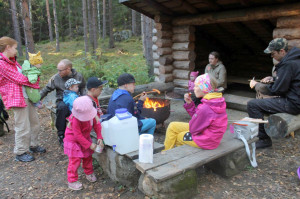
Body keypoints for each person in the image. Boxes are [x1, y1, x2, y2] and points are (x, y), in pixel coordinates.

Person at [248, 38, 300, 149]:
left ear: (282, 51)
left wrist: (257, 85)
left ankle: (263, 139)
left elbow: (277, 90)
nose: (272, 56)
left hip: (293, 103)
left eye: (273, 54)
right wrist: (274, 78)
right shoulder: (295, 60)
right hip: (296, 98)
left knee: (253, 105)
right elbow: (290, 79)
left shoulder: (288, 64)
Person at [0, 36, 46, 162]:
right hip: (17, 98)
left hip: (27, 96)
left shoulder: (13, 62)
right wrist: (35, 78)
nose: (16, 51)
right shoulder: (2, 64)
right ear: (7, 47)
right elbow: (21, 79)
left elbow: (26, 75)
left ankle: (33, 145)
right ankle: (20, 152)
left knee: (34, 122)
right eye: (15, 48)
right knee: (22, 125)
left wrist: (33, 76)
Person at [163, 73, 228, 151]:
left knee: (178, 137)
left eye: (197, 86)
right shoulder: (216, 101)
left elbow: (193, 129)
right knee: (172, 126)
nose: (194, 88)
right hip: (212, 137)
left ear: (204, 88)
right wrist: (190, 104)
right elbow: (200, 119)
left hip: (205, 141)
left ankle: (167, 156)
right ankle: (166, 152)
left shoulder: (205, 107)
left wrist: (191, 124)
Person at [40, 59, 86, 147]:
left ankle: (82, 134)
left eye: (60, 70)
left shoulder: (78, 76)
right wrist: (37, 99)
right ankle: (61, 134)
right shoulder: (56, 78)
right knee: (62, 108)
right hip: (62, 100)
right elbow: (46, 89)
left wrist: (85, 99)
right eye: (58, 70)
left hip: (76, 99)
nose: (58, 72)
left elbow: (83, 88)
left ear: (68, 69)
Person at [63, 96, 104, 190]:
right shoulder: (75, 119)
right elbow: (77, 135)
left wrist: (99, 137)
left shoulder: (92, 115)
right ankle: (72, 180)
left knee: (88, 156)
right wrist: (90, 145)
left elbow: (97, 125)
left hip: (84, 138)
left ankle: (89, 172)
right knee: (75, 160)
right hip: (73, 140)